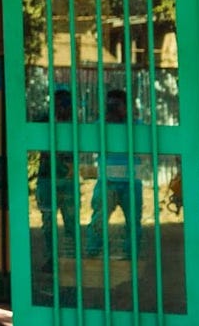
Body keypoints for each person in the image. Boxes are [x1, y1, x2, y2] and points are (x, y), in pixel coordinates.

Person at [85, 88, 146, 258]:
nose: (112, 108)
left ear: (127, 106)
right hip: (107, 180)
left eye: (117, 105)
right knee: (98, 219)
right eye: (110, 105)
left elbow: (145, 152)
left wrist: (128, 120)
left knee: (133, 222)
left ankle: (132, 256)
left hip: (131, 181)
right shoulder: (100, 125)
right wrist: (105, 122)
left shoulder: (137, 126)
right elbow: (90, 147)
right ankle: (93, 252)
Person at [35, 88, 78, 258]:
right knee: (48, 222)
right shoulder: (46, 120)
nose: (63, 108)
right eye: (59, 104)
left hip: (67, 178)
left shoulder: (74, 124)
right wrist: (52, 117)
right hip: (47, 177)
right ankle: (52, 257)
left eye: (66, 104)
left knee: (71, 222)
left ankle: (72, 258)